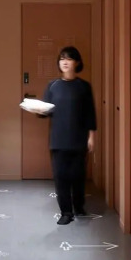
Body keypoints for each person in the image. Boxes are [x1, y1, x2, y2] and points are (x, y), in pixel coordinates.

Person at [39, 45, 96, 225]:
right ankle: (66, 212)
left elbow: (90, 113)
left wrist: (91, 136)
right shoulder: (53, 86)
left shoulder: (84, 87)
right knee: (61, 176)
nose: (65, 62)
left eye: (69, 58)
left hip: (78, 138)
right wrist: (37, 110)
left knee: (78, 176)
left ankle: (78, 206)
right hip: (58, 139)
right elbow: (45, 110)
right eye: (62, 58)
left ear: (77, 62)